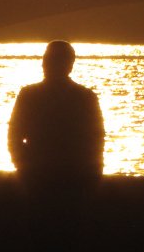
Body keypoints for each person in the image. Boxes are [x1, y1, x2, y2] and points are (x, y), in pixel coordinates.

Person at [8, 40, 105, 185]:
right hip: (73, 173)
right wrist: (94, 172)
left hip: (38, 172)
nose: (45, 63)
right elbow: (96, 139)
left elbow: (14, 134)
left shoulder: (28, 94)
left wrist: (22, 165)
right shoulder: (86, 96)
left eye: (49, 59)